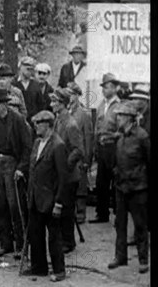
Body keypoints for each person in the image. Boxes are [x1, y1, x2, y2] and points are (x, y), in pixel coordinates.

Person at [22, 110, 67, 282]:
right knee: (36, 234)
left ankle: (59, 270)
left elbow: (64, 178)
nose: (35, 127)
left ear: (48, 125)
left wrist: (59, 203)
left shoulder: (58, 145)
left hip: (50, 200)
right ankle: (38, 267)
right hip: (35, 197)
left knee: (54, 237)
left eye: (38, 124)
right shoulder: (37, 143)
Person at [0, 87, 32, 257]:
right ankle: (5, 243)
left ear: (5, 104)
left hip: (12, 163)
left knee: (15, 206)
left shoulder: (18, 120)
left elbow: (27, 146)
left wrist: (21, 168)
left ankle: (21, 245)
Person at [108, 102, 149, 274]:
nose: (117, 118)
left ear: (129, 118)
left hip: (138, 188)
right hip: (121, 186)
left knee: (140, 224)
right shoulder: (121, 136)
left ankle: (143, 259)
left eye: (120, 115)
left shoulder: (142, 136)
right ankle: (120, 256)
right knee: (120, 223)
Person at [50, 88, 84, 254]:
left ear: (62, 104)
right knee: (62, 206)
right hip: (60, 173)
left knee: (67, 209)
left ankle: (69, 242)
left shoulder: (70, 124)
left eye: (54, 102)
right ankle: (63, 238)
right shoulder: (58, 121)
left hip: (69, 175)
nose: (51, 104)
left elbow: (78, 150)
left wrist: (65, 165)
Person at [90, 73, 121, 224]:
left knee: (115, 182)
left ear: (115, 88)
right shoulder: (101, 105)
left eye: (107, 87)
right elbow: (97, 126)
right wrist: (96, 146)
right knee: (101, 182)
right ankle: (101, 214)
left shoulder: (119, 106)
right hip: (101, 148)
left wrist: (110, 137)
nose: (104, 90)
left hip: (113, 148)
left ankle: (118, 215)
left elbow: (121, 130)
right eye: (103, 87)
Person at [66, 83, 93, 224]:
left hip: (80, 154)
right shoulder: (65, 111)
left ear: (76, 95)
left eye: (71, 94)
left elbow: (88, 137)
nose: (69, 97)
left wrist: (87, 158)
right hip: (68, 153)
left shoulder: (84, 114)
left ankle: (81, 212)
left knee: (81, 184)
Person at [13, 56, 45, 121]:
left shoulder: (36, 85)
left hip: (33, 121)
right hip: (17, 121)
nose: (30, 72)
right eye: (27, 69)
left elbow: (41, 106)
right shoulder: (13, 84)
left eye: (32, 69)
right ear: (20, 68)